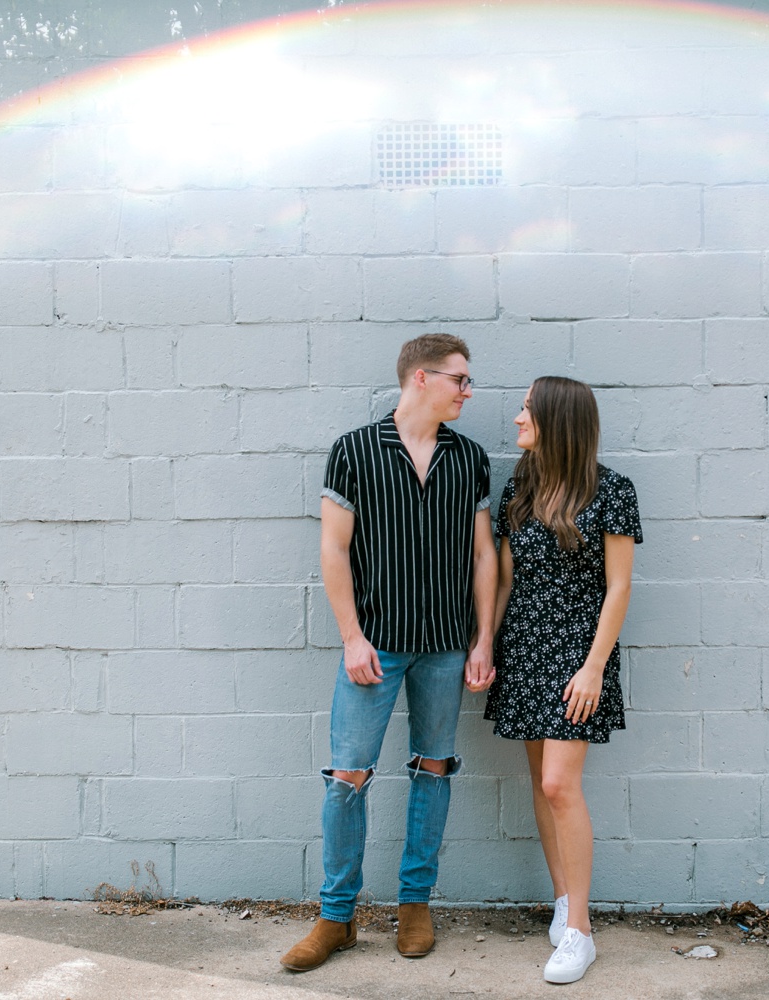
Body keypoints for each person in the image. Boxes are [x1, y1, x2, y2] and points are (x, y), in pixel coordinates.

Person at [280, 333, 496, 972]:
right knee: (349, 775)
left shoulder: (471, 457)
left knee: (434, 768)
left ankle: (414, 905)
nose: (468, 390)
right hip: (374, 644)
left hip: (444, 647)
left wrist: (483, 638)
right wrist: (351, 635)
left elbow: (484, 554)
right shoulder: (353, 451)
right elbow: (333, 549)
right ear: (422, 379)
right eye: (460, 379)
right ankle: (336, 917)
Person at [483, 376, 642, 985]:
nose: (518, 418)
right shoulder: (519, 488)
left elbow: (619, 587)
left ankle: (580, 930)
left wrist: (595, 665)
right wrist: (484, 646)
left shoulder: (613, 491)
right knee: (538, 779)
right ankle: (561, 899)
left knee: (559, 784)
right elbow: (502, 581)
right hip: (523, 647)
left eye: (526, 409)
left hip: (578, 652)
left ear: (556, 419)